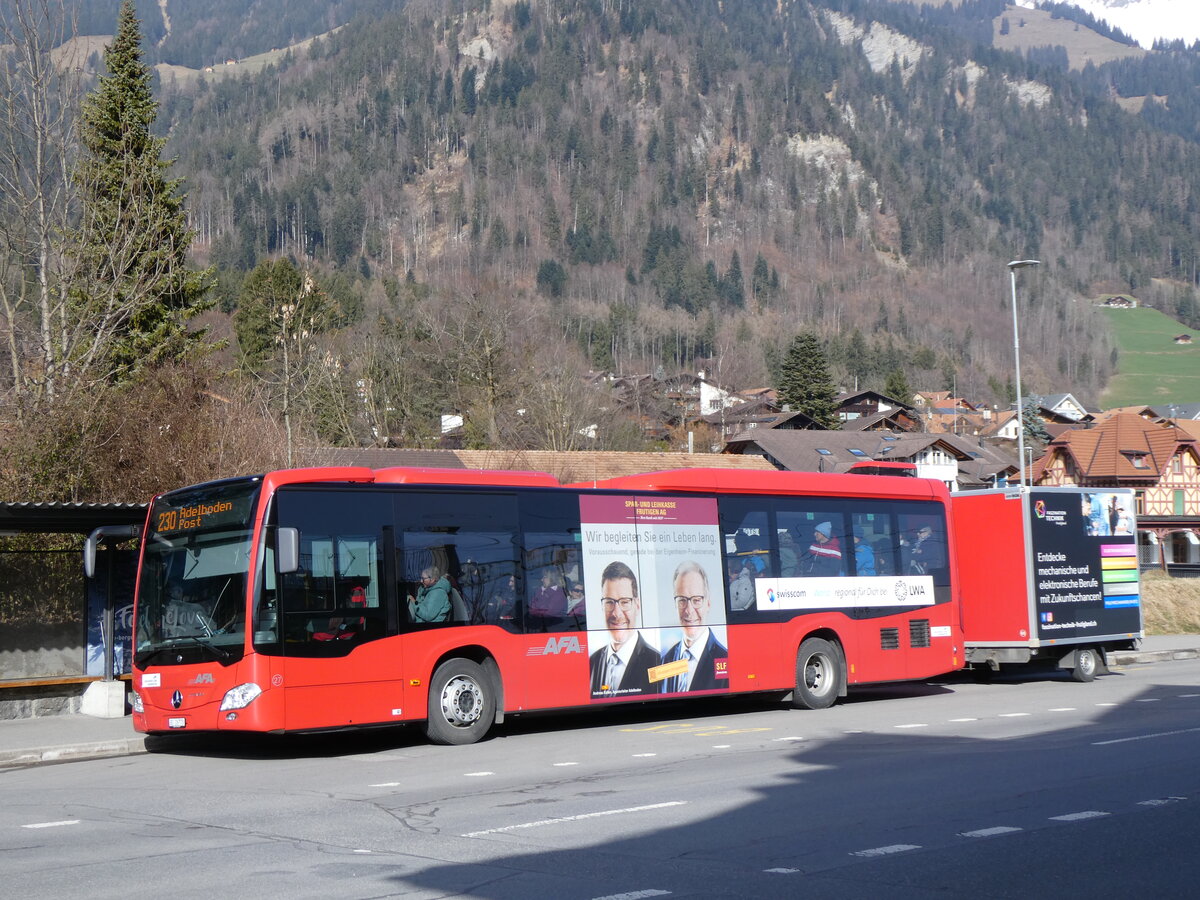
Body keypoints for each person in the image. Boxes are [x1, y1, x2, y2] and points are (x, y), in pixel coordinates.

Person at [589, 561, 660, 697]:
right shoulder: (592, 661)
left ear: (637, 605)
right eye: (609, 602)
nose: (617, 613)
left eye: (625, 602)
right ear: (602, 605)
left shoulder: (656, 661)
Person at [661, 560, 728, 693]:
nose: (689, 611)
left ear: (708, 603)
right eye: (682, 600)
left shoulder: (725, 658)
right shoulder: (666, 660)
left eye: (696, 600)